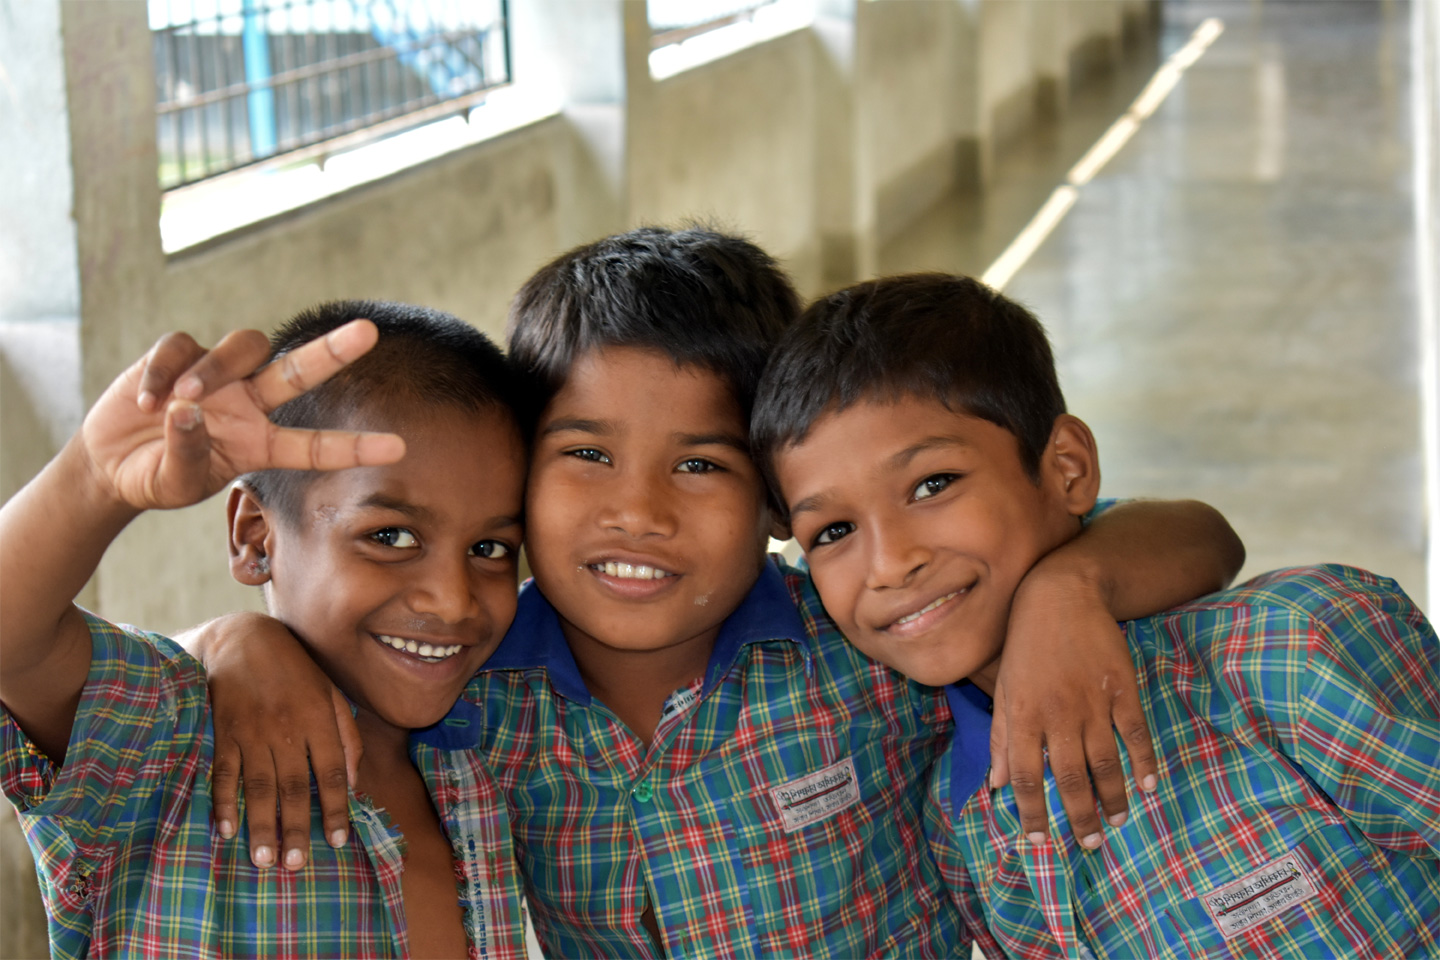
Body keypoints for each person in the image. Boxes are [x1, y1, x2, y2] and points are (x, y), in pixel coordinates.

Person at [194, 228, 1247, 957]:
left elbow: (1203, 537)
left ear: (781, 503)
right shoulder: (479, 696)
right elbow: (338, 642)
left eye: (700, 465)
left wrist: (1074, 589)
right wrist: (236, 637)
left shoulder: (862, 642)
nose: (639, 513)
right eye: (587, 456)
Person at [751, 272, 1440, 959]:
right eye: (834, 531)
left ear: (1068, 470)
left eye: (932, 485)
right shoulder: (965, 827)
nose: (889, 564)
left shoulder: (1289, 654)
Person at [0, 302, 533, 959]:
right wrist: (92, 479)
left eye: (491, 549)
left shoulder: (501, 751)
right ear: (256, 537)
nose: (453, 602)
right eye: (390, 537)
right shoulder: (170, 745)